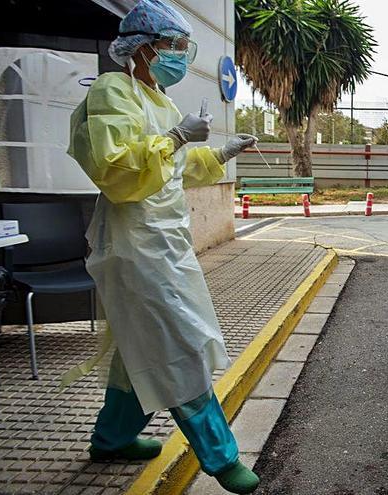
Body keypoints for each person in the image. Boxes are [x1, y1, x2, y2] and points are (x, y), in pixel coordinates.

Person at [66, 1, 259, 493]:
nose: (179, 55)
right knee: (177, 347)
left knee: (140, 348)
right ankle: (221, 457)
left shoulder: (161, 101)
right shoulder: (113, 91)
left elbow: (174, 169)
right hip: (133, 245)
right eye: (172, 46)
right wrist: (174, 137)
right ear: (143, 49)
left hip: (166, 241)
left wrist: (218, 152)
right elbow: (115, 170)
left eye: (183, 47)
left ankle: (111, 439)